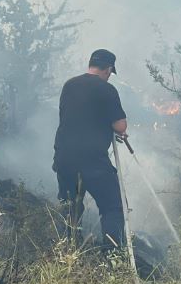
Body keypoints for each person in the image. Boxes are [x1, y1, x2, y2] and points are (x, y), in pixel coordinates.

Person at [53, 49, 128, 249]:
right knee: (112, 206)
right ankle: (113, 255)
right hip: (92, 160)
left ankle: (69, 252)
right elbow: (120, 126)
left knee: (70, 207)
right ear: (108, 69)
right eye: (111, 72)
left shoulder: (69, 85)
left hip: (64, 157)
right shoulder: (107, 89)